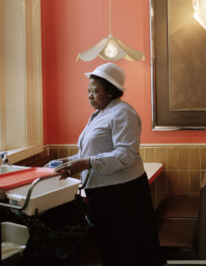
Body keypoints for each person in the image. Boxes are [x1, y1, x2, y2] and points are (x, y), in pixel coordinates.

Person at [56, 63, 162, 266]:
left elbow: (125, 155)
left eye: (95, 91)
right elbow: (93, 150)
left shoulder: (123, 113)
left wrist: (86, 163)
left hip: (122, 193)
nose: (89, 95)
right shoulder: (99, 114)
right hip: (103, 193)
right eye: (88, 90)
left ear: (110, 92)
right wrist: (71, 161)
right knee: (110, 247)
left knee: (128, 249)